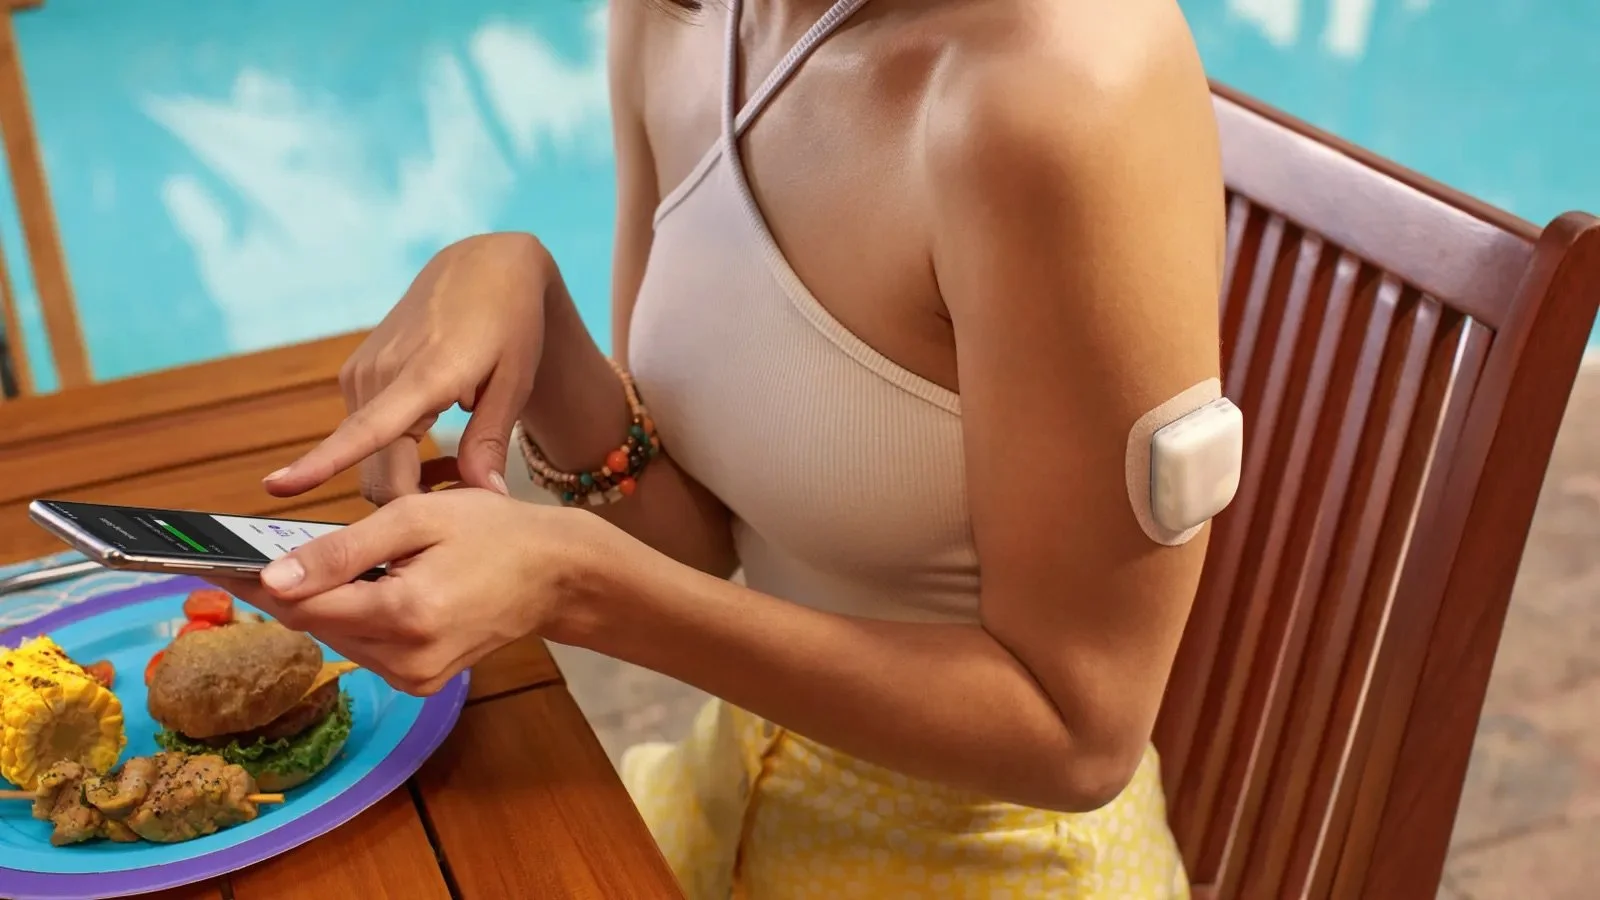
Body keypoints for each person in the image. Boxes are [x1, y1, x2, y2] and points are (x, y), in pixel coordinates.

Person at [217, 0, 1225, 895]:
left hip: (994, 864)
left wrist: (577, 586)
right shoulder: (679, 19)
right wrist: (540, 313)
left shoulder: (1061, 86)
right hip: (733, 798)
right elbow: (697, 542)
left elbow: (1076, 736)